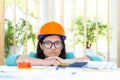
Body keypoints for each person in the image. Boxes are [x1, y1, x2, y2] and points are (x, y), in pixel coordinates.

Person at [5, 21, 102, 66]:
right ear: (41, 46)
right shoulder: (33, 56)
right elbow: (10, 60)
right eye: (48, 43)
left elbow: (98, 60)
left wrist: (65, 62)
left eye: (57, 43)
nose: (53, 48)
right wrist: (46, 62)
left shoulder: (69, 57)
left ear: (62, 46)